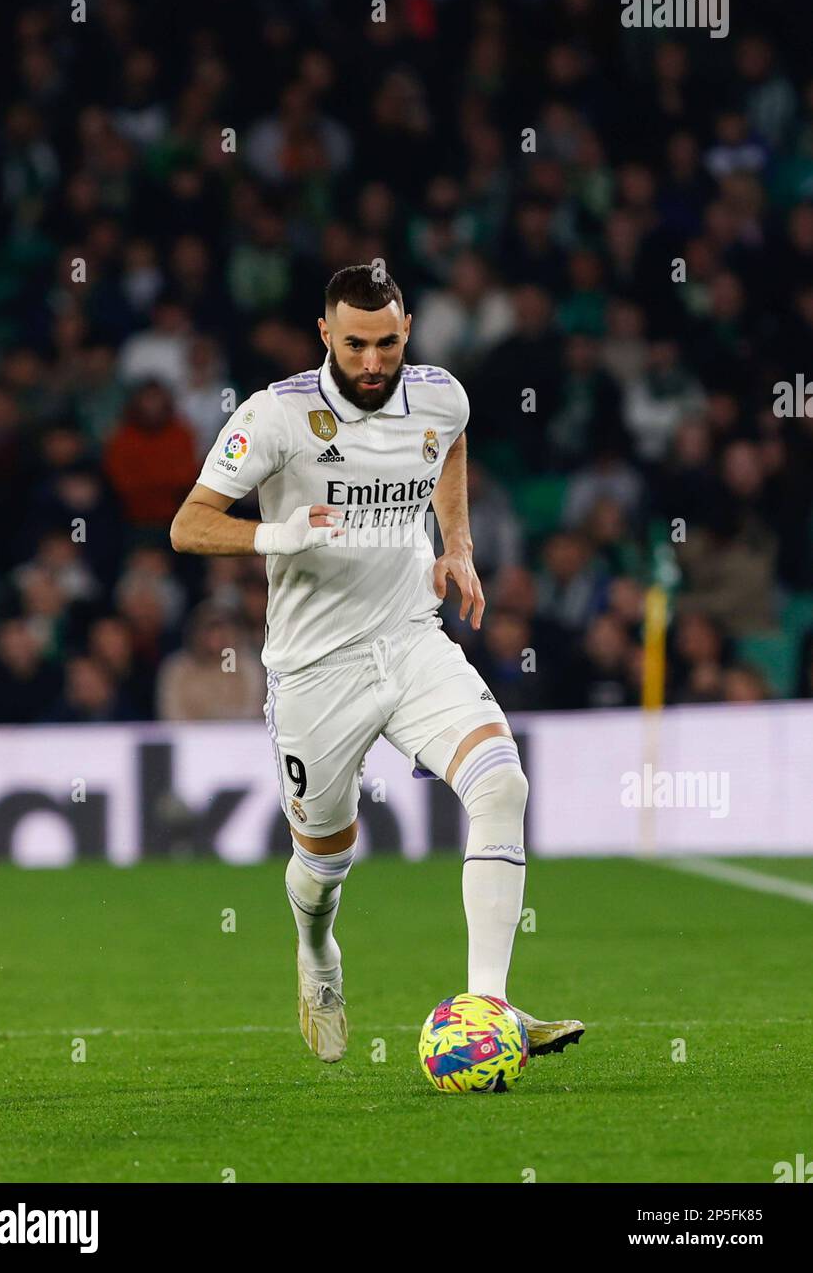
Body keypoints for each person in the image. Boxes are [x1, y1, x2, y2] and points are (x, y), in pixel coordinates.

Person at [171, 265, 583, 1064]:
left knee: (501, 782)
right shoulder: (277, 414)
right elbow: (189, 525)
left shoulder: (439, 394)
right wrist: (276, 535)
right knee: (323, 863)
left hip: (410, 636)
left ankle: (488, 1010)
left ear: (408, 330)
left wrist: (455, 541)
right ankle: (318, 955)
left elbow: (453, 442)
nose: (371, 362)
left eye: (387, 342)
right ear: (325, 333)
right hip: (316, 667)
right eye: (354, 343)